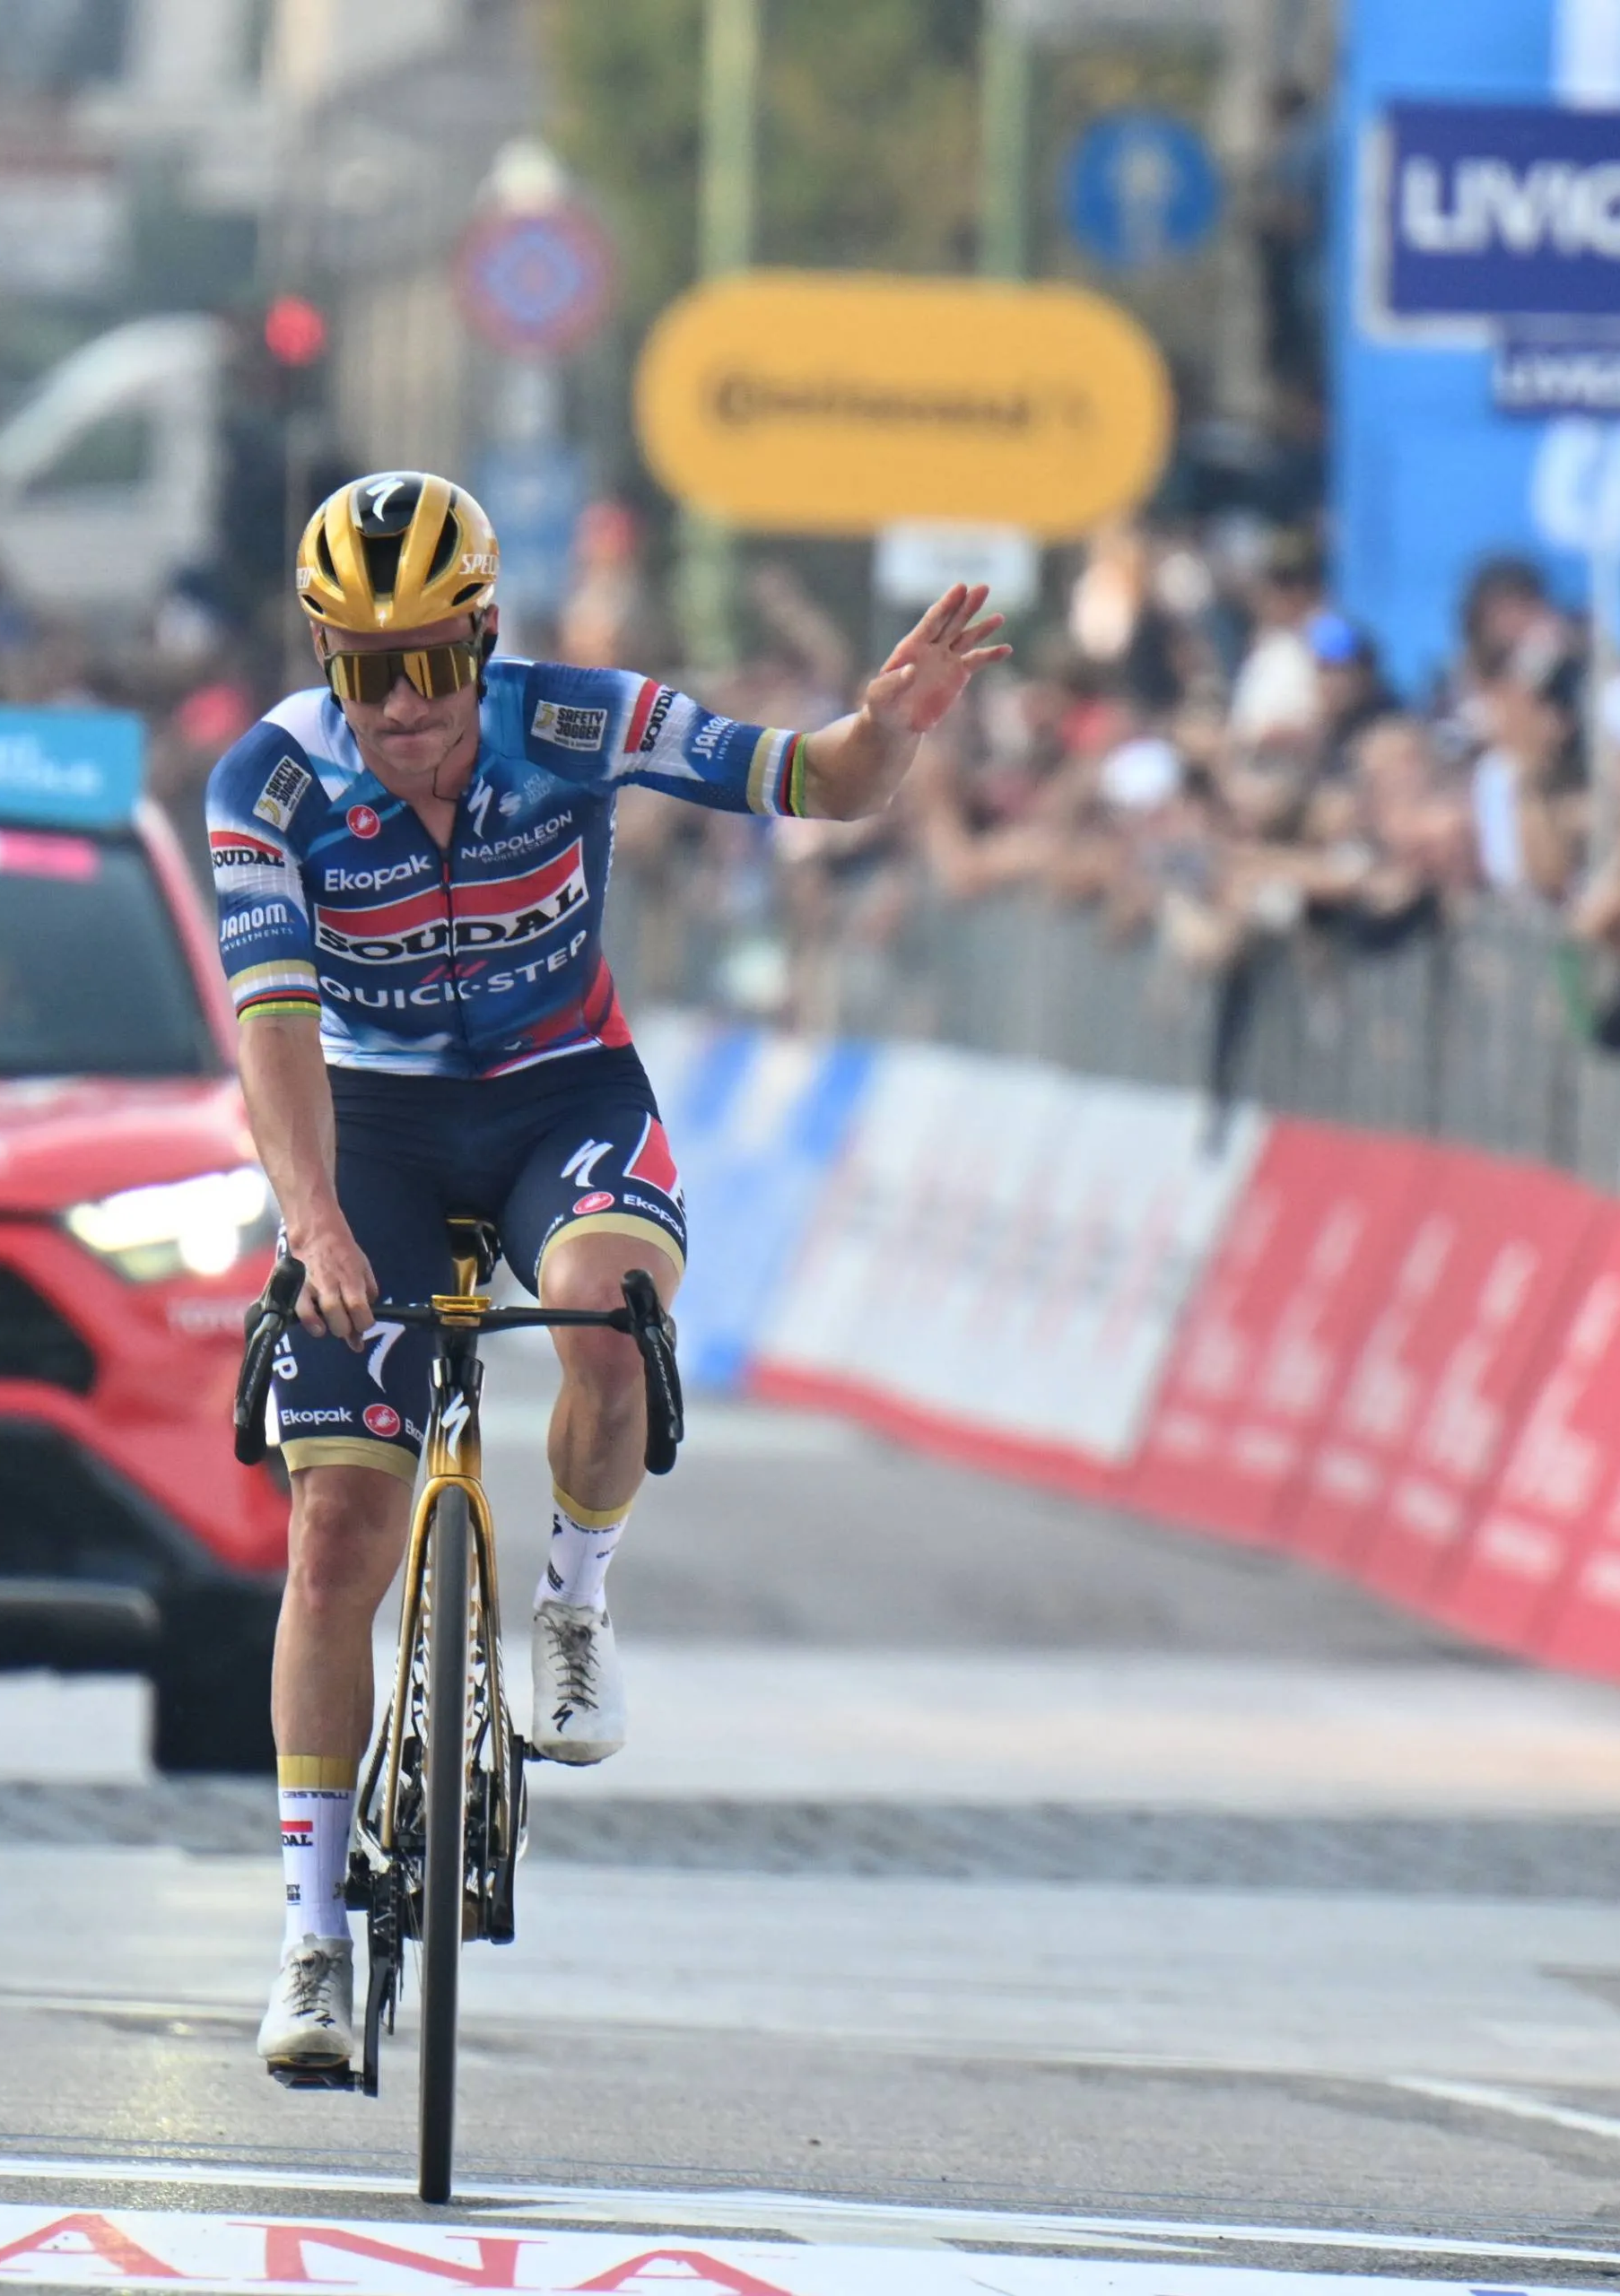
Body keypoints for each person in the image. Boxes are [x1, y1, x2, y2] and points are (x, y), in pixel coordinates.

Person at [207, 472, 1005, 2076]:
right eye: (370, 669)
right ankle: (305, 1940)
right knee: (333, 1534)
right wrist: (315, 1226)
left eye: (436, 660)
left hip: (560, 1094)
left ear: (486, 638)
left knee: (609, 1329)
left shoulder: (576, 721)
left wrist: (886, 727)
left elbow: (809, 784)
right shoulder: (270, 786)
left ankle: (568, 1602)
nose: (409, 703)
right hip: (365, 1120)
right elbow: (275, 1030)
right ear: (325, 659)